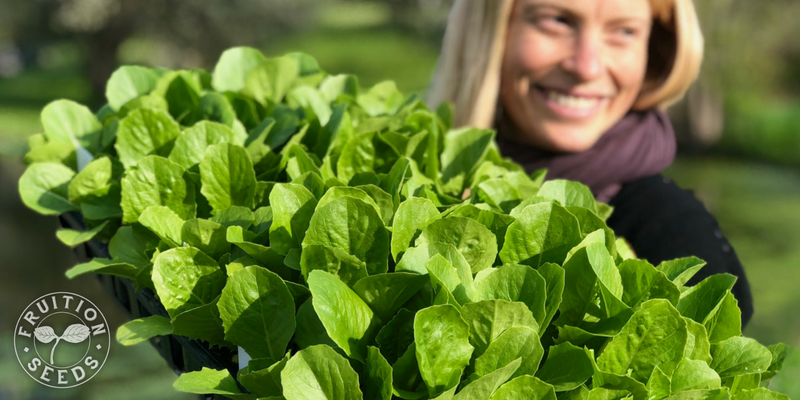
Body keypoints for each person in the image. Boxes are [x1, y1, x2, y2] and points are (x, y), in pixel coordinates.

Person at [427, 0, 753, 327]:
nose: (587, 67)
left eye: (624, 30)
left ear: (653, 48)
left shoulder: (673, 231)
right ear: (486, 31)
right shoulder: (414, 173)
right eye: (557, 20)